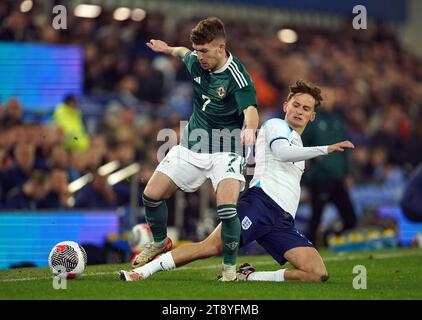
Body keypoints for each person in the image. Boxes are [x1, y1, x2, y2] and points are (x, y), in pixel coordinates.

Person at [120, 80, 355, 282]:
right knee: (210, 247)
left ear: (312, 115)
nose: (299, 111)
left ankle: (250, 276)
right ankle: (144, 271)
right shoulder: (276, 125)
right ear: (286, 106)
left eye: (306, 108)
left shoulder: (299, 141)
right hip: (260, 205)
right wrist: (326, 148)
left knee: (316, 272)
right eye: (295, 105)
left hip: (283, 220)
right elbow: (282, 153)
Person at [133, 17, 259, 281]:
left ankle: (229, 270)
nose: (199, 56)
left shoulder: (237, 75)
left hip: (227, 148)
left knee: (226, 209)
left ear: (221, 47)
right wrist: (166, 48)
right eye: (197, 50)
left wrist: (250, 128)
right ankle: (159, 242)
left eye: (204, 51)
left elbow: (250, 108)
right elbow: (183, 52)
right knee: (151, 195)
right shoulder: (195, 60)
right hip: (193, 144)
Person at [301, 87, 357, 245]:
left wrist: (346, 173)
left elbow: (345, 150)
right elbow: (302, 143)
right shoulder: (313, 119)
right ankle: (309, 248)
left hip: (338, 177)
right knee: (316, 217)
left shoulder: (338, 119)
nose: (327, 100)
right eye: (324, 97)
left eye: (330, 96)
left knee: (351, 218)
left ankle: (329, 236)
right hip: (320, 177)